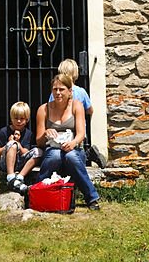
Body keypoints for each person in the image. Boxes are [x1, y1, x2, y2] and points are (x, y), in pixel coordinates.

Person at [36, 74, 100, 210]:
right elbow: (39, 141)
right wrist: (46, 133)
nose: (58, 93)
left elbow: (81, 133)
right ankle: (37, 191)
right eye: (55, 89)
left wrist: (73, 143)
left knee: (71, 157)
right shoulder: (44, 109)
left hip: (74, 148)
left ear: (70, 91)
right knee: (54, 156)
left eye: (62, 89)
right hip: (53, 149)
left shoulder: (77, 106)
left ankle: (92, 198)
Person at [0, 101, 40, 193]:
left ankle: (20, 177)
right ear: (11, 118)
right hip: (6, 164)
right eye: (16, 118)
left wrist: (19, 144)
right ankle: (11, 177)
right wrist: (10, 143)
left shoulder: (28, 134)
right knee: (12, 145)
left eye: (22, 118)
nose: (18, 121)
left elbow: (25, 152)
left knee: (39, 151)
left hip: (21, 163)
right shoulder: (4, 131)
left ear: (27, 119)